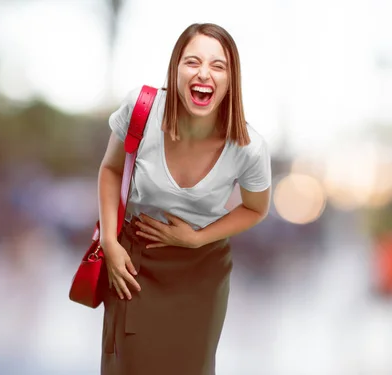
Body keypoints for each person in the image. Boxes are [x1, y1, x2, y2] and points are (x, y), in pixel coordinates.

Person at [97, 23, 271, 375]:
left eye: (218, 66)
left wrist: (195, 238)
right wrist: (110, 242)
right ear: (175, 68)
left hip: (201, 271)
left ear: (231, 79)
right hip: (135, 263)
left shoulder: (249, 148)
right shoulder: (141, 110)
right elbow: (110, 170)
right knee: (129, 365)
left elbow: (255, 208)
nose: (203, 73)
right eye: (192, 62)